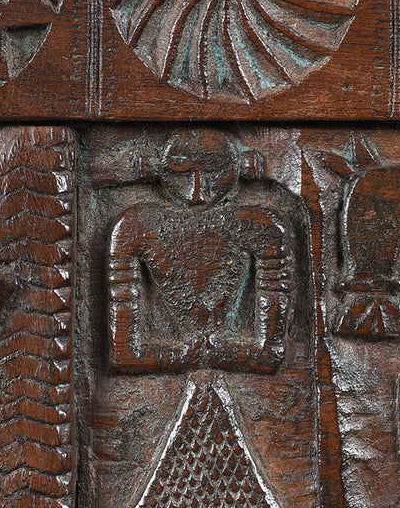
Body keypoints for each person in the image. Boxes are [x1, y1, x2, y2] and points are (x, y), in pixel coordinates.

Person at [107, 128, 292, 374]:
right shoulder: (134, 226)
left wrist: (200, 355)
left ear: (243, 167)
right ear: (155, 169)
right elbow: (124, 356)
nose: (196, 192)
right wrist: (188, 357)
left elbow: (270, 353)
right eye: (180, 172)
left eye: (215, 172)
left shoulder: (262, 226)